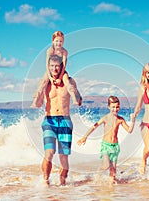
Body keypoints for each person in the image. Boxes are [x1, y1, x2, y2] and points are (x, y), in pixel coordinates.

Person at [39, 54, 82, 186]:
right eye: (52, 66)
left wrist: (75, 92)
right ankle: (46, 182)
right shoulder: (46, 82)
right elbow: (39, 100)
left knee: (63, 157)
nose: (54, 68)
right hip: (49, 121)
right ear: (49, 67)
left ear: (62, 66)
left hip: (65, 121)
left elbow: (79, 101)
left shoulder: (69, 81)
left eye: (57, 66)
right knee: (49, 152)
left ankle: (62, 183)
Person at [77, 96, 135, 184]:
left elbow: (129, 131)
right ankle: (98, 171)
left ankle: (111, 189)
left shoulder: (120, 119)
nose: (115, 109)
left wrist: (133, 121)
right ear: (109, 107)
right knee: (106, 165)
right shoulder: (105, 118)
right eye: (113, 107)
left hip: (115, 147)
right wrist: (85, 137)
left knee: (113, 171)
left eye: (117, 107)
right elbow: (94, 126)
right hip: (106, 146)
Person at [31, 31, 81, 108]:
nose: (58, 43)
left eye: (61, 41)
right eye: (56, 41)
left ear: (63, 42)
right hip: (50, 70)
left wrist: (60, 77)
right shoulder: (50, 50)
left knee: (67, 81)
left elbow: (64, 65)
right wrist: (50, 77)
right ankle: (35, 101)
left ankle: (74, 98)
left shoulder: (64, 51)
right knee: (43, 82)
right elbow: (47, 64)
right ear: (53, 41)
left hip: (61, 70)